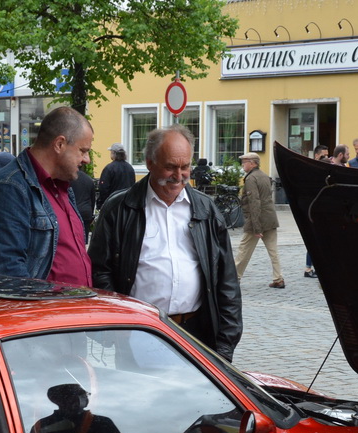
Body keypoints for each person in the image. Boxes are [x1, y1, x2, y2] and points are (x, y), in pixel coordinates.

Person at [88, 125, 242, 359]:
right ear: (150, 163)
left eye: (185, 167)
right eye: (170, 167)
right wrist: (118, 325)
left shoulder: (205, 209)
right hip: (139, 331)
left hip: (196, 331)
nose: (179, 176)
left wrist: (225, 344)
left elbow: (226, 278)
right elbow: (100, 271)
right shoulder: (120, 208)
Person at [0, 107, 93, 284]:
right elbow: (6, 274)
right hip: (45, 310)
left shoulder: (61, 187)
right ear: (59, 144)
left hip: (72, 308)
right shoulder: (10, 187)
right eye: (83, 150)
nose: (86, 159)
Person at [235, 152, 285, 289]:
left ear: (253, 163)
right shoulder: (264, 176)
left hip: (256, 220)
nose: (243, 164)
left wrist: (256, 227)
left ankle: (234, 278)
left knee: (243, 251)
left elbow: (254, 202)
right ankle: (278, 278)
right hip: (270, 218)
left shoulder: (251, 179)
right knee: (273, 251)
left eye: (245, 162)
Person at [29, 383, 127, 433]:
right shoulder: (101, 423)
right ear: (68, 400)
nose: (86, 397)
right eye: (82, 395)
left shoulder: (40, 425)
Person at [98, 142, 135, 212]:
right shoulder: (130, 168)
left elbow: (103, 188)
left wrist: (102, 203)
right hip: (127, 205)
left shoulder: (109, 168)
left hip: (113, 204)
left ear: (114, 154)